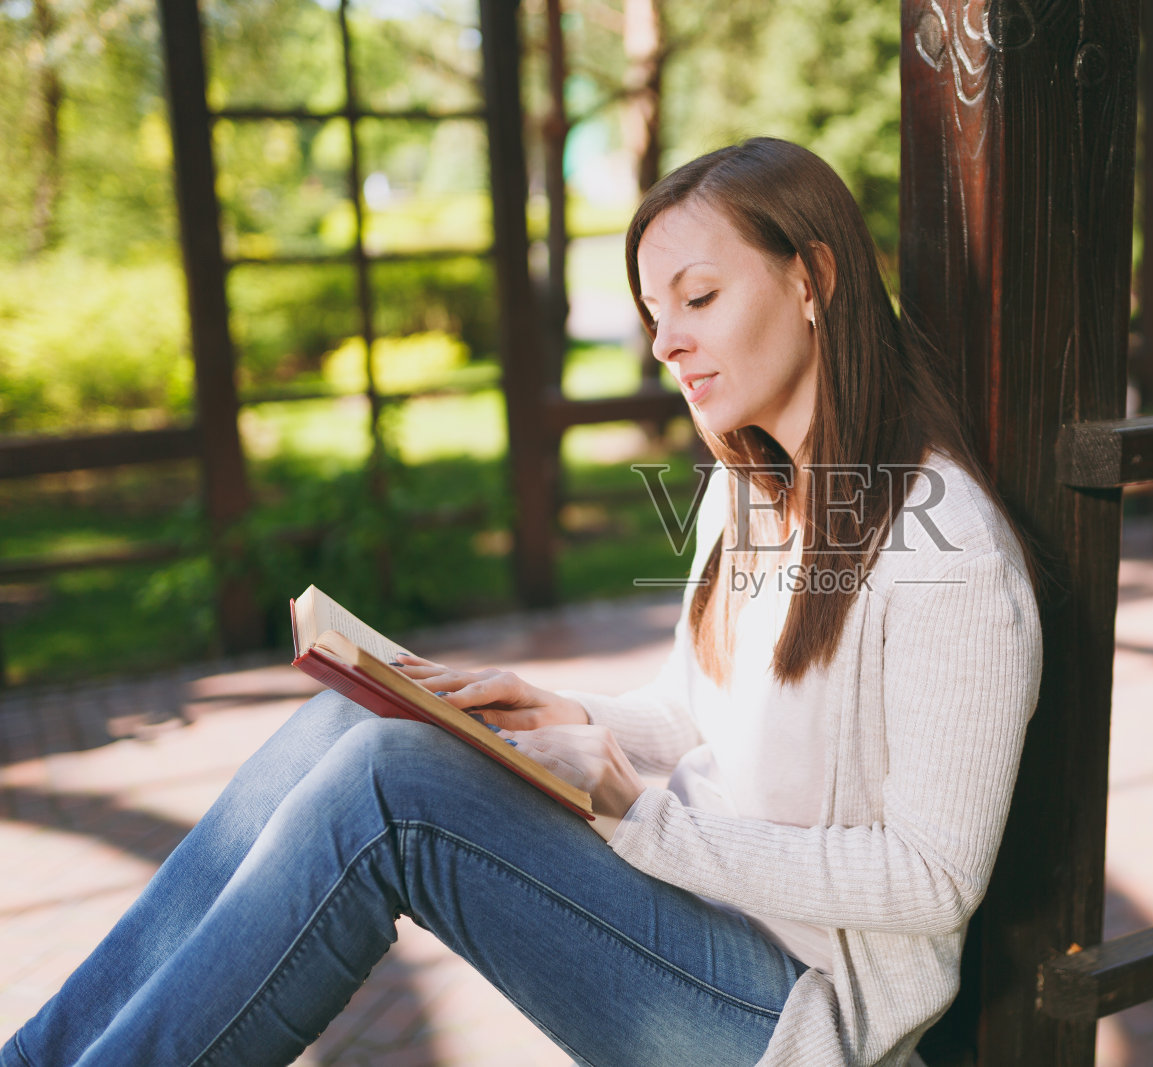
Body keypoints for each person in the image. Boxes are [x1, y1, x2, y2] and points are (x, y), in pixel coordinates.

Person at [4, 137, 1043, 1067]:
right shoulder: (753, 484)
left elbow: (929, 878)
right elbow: (698, 712)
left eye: (697, 296)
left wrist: (639, 816)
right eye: (652, 314)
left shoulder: (947, 552)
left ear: (812, 276)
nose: (664, 343)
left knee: (391, 784)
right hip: (704, 909)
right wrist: (552, 711)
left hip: (796, 1015)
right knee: (350, 716)